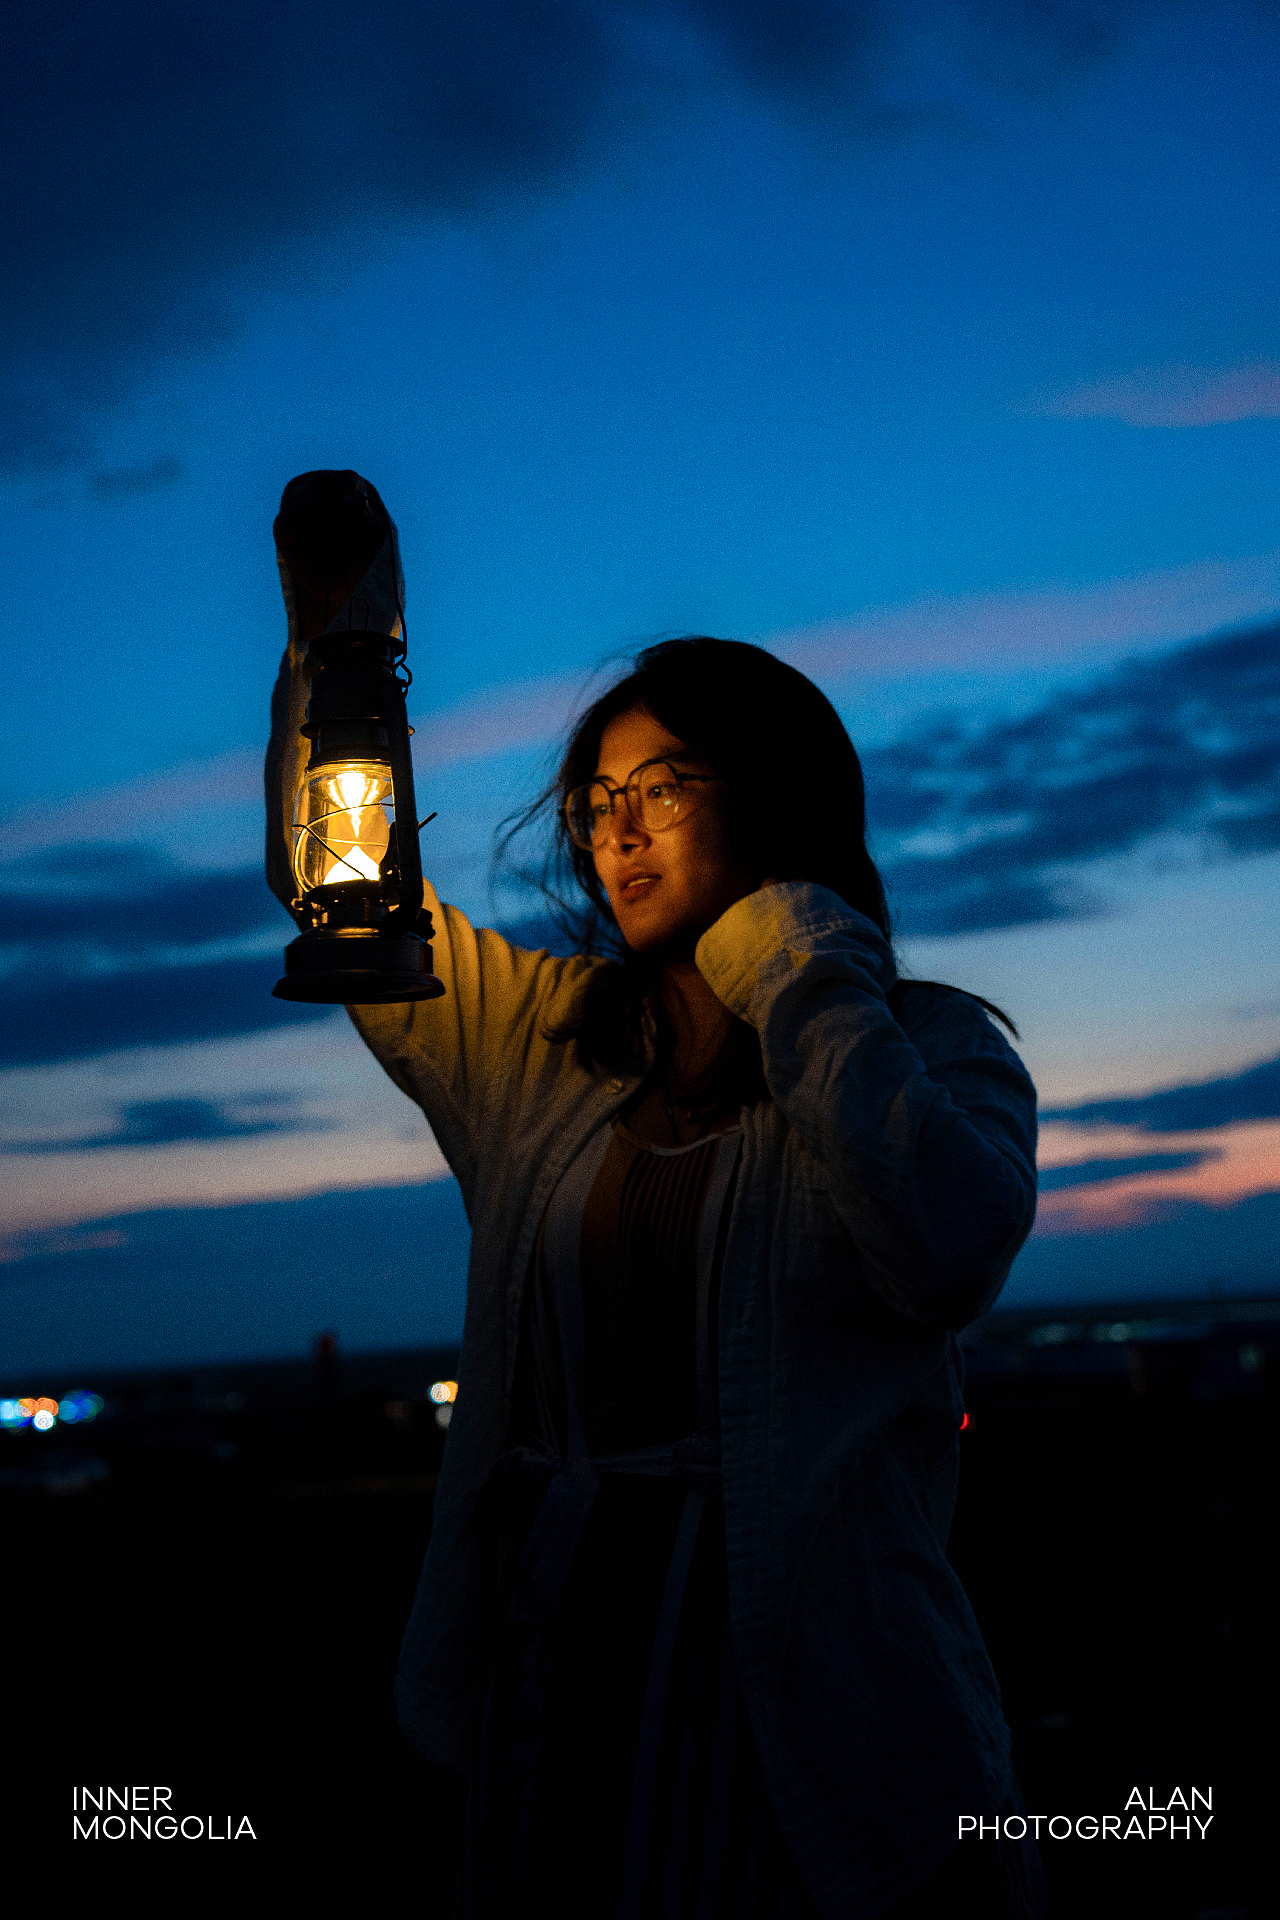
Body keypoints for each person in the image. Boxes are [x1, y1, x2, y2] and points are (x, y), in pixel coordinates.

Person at [266, 474, 1044, 1918]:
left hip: (807, 1696)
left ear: (774, 798)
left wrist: (792, 954)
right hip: (558, 1667)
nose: (615, 831)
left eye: (664, 788)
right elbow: (350, 898)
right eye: (596, 798)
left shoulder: (931, 1051)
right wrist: (346, 651)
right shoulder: (539, 1039)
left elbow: (944, 1244)